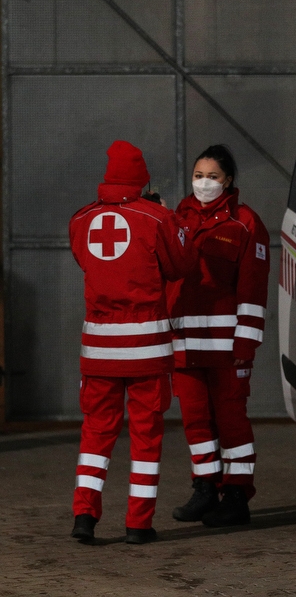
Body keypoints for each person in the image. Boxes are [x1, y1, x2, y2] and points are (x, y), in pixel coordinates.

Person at [68, 140, 195, 544]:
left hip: (100, 353)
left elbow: (85, 260)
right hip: (146, 353)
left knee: (95, 435)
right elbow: (180, 266)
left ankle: (83, 518)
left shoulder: (81, 220)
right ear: (142, 179)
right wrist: (166, 215)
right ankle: (138, 525)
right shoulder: (156, 218)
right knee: (145, 437)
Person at [168, 144, 270, 527]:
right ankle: (205, 488)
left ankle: (237, 495)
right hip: (185, 345)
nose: (204, 183)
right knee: (195, 421)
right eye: (198, 175)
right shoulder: (177, 218)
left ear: (228, 180)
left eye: (212, 176)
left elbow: (253, 289)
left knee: (231, 423)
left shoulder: (245, 223)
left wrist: (246, 343)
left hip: (228, 347)